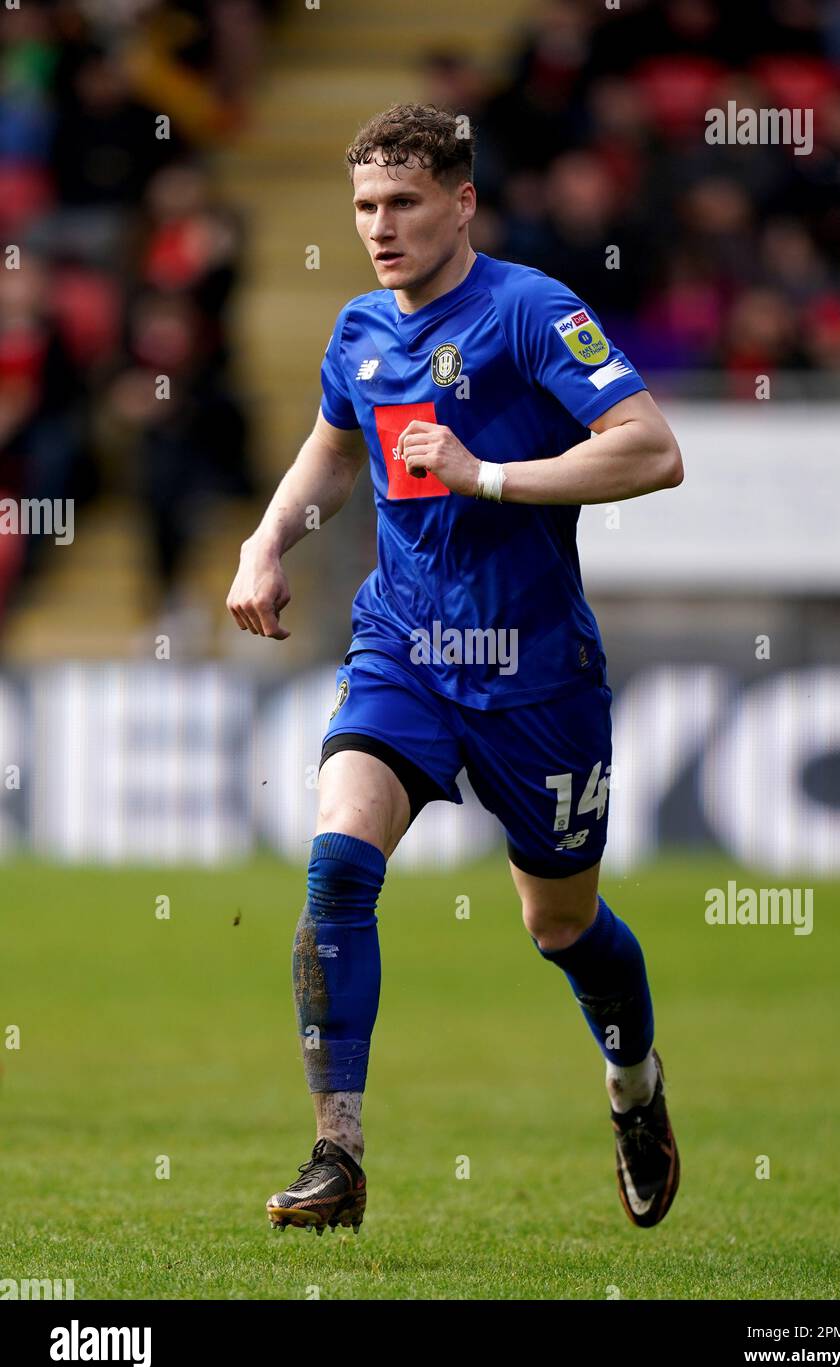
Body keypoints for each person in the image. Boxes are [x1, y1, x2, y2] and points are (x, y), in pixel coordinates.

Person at [226, 103, 684, 1235]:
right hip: (402, 650)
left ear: (463, 201)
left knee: (559, 926)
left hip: (535, 674)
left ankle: (634, 1087)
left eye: (403, 204)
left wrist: (486, 475)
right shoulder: (358, 331)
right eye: (364, 208)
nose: (379, 228)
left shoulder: (531, 311)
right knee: (337, 866)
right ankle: (337, 1153)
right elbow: (335, 448)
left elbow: (651, 449)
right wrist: (267, 537)